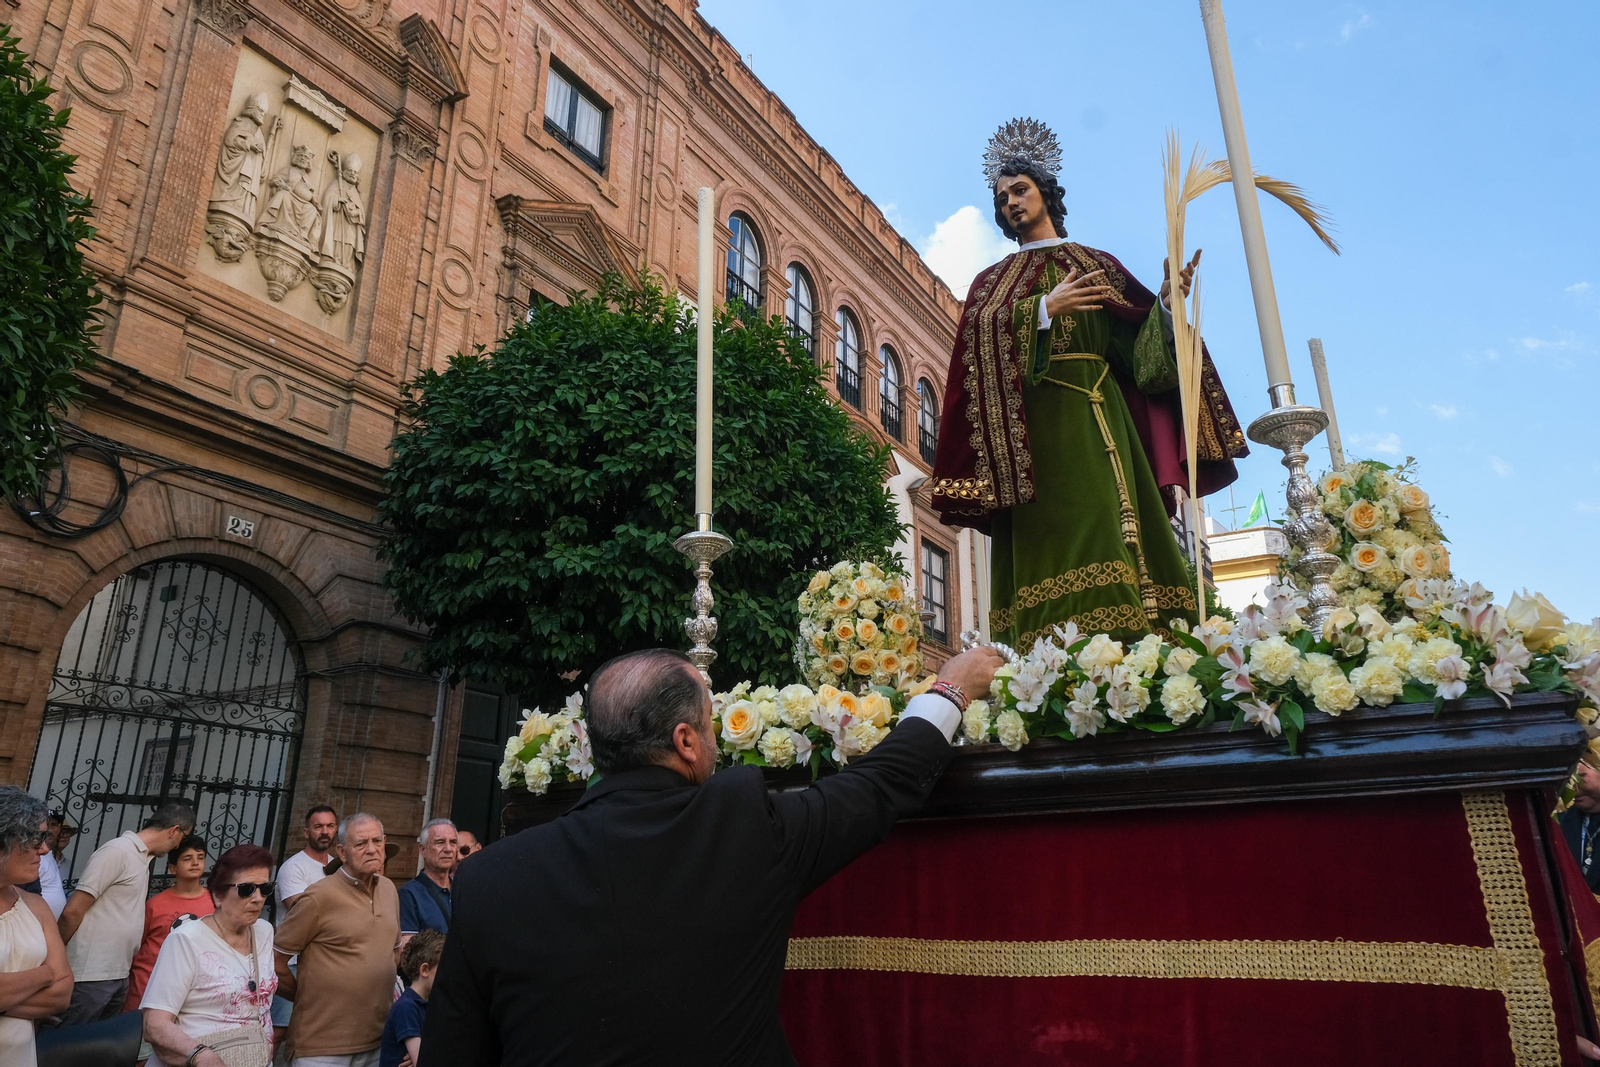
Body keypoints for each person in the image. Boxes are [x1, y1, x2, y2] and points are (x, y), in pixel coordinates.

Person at [421, 644, 1004, 1067]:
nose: (716, 743)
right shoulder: (742, 827)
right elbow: (878, 785)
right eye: (709, 727)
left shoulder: (491, 877)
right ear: (685, 741)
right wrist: (949, 688)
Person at [929, 117, 1249, 650]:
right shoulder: (992, 283)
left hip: (1102, 425)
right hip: (1034, 443)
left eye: (1020, 190)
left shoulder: (1096, 265)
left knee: (1113, 527)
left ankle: (1136, 648)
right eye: (1002, 198)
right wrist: (1041, 311)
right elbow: (973, 356)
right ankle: (1045, 655)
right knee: (1052, 539)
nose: (1011, 203)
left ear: (1046, 193)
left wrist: (1166, 306)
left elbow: (1141, 361)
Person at [274, 813, 401, 1067]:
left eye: (377, 841)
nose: (372, 849)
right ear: (342, 852)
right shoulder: (318, 896)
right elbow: (275, 963)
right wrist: (306, 996)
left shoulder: (389, 889)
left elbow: (393, 953)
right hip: (321, 1046)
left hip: (377, 1041)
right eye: (361, 843)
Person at [56, 799, 196, 1025]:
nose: (179, 845)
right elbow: (72, 911)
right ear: (174, 830)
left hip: (118, 973)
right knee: (69, 1042)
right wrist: (55, 957)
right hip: (91, 974)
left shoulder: (142, 858)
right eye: (184, 837)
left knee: (98, 1044)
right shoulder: (117, 851)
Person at [141, 843, 277, 1067]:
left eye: (265, 888)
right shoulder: (186, 940)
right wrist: (201, 1056)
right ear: (218, 895)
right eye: (246, 889)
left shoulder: (264, 932)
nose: (258, 898)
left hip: (254, 1058)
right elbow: (154, 1024)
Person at [0, 787, 73, 1067]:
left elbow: (62, 993)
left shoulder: (34, 906)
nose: (44, 849)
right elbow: (55, 977)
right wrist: (45, 973)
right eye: (33, 839)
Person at [125, 834, 213, 1011]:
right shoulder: (154, 905)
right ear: (173, 868)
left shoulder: (215, 903)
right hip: (147, 989)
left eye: (200, 857)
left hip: (193, 992)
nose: (195, 863)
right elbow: (135, 946)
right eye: (187, 858)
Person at [380, 930, 442, 1067]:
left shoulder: (429, 1003)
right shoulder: (407, 1008)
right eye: (443, 968)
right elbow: (422, 1061)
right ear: (424, 970)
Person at [398, 820, 455, 942]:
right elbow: (407, 948)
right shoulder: (409, 894)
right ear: (422, 849)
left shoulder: (464, 889)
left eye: (453, 842)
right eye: (440, 842)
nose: (448, 849)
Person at [280, 806, 338, 911]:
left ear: (335, 830)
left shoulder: (336, 865)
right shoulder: (293, 867)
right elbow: (302, 911)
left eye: (330, 826)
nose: (325, 832)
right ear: (306, 833)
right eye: (318, 826)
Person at [17, 806, 67, 918]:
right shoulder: (32, 857)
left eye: (54, 824)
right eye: (46, 824)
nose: (49, 830)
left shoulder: (49, 854)